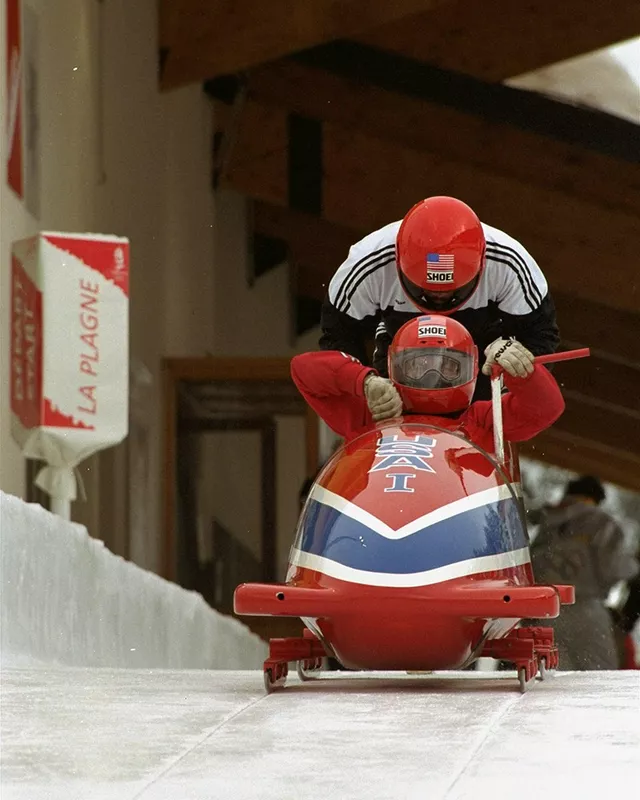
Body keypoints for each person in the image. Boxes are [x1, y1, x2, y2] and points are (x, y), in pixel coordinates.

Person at [319, 195, 560, 401]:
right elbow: (337, 339)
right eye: (428, 291)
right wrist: (366, 386)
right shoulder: (368, 263)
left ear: (481, 266)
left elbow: (541, 336)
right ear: (399, 264)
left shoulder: (510, 262)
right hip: (398, 363)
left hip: (482, 362)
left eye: (451, 291)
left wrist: (511, 375)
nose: (439, 297)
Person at [292, 313, 565, 449]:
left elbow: (546, 408)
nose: (431, 377)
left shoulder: (484, 420)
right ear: (394, 366)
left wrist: (521, 372)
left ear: (470, 369)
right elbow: (303, 369)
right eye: (419, 364)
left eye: (448, 365)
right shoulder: (373, 415)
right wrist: (365, 382)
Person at [529, 476, 640, 670]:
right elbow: (615, 568)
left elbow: (530, 566)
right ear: (597, 498)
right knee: (600, 679)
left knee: (554, 680)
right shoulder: (601, 522)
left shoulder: (546, 524)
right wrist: (634, 565)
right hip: (587, 610)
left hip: (547, 611)